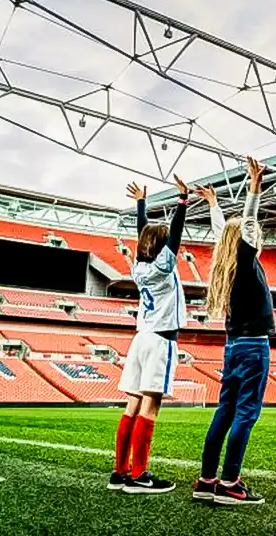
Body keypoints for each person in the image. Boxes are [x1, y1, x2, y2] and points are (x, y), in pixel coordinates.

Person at [192, 157, 274, 506]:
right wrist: (254, 186)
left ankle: (207, 479)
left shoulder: (227, 260)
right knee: (245, 413)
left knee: (225, 410)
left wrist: (213, 204)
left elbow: (221, 231)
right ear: (244, 239)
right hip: (254, 347)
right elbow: (250, 221)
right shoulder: (244, 256)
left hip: (232, 346)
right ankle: (229, 484)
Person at [109, 175, 191, 495]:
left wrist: (142, 204)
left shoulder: (138, 267)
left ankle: (120, 471)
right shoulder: (163, 266)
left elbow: (144, 234)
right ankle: (140, 474)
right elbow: (175, 237)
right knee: (151, 406)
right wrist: (182, 201)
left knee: (132, 403)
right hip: (160, 339)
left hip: (141, 337)